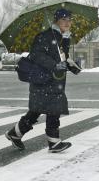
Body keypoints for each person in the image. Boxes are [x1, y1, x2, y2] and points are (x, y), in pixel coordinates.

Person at [5, 8, 80, 153]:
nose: (67, 22)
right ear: (56, 21)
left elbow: (61, 57)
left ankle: (15, 134)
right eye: (64, 19)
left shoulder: (62, 37)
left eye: (69, 20)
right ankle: (53, 142)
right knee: (52, 109)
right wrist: (54, 65)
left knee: (37, 111)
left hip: (54, 81)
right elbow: (37, 55)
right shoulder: (45, 36)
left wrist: (70, 64)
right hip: (44, 81)